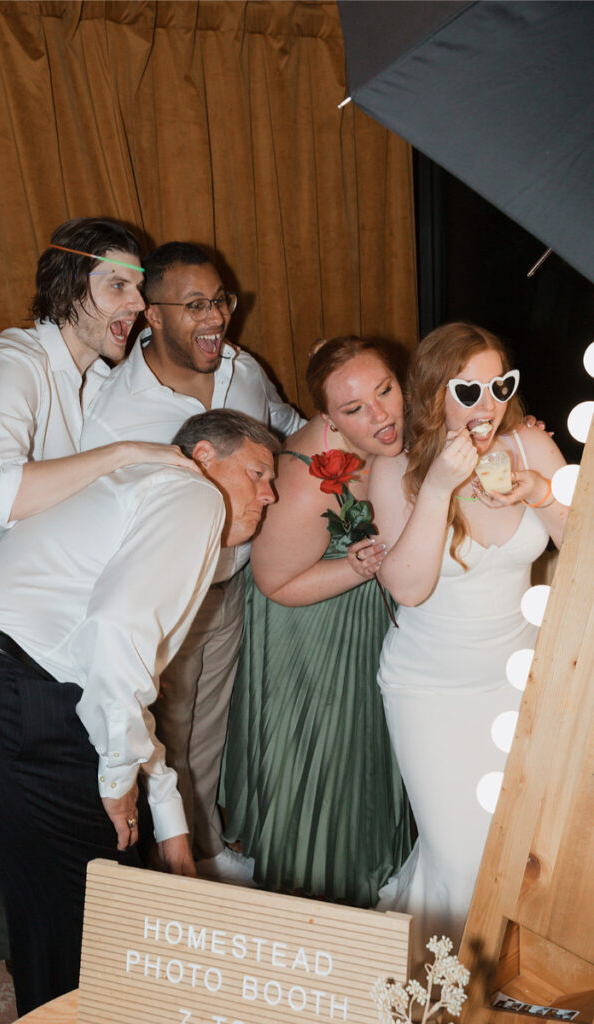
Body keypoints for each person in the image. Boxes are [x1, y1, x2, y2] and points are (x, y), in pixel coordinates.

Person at [0, 409, 278, 1016]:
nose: (270, 493)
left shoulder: (134, 497)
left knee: (53, 904)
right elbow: (115, 635)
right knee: (101, 905)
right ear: (205, 457)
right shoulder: (192, 493)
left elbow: (119, 684)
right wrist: (116, 781)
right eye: (259, 472)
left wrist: (171, 824)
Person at [0, 216, 191, 957]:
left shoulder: (94, 379)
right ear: (69, 288)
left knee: (59, 808)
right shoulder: (13, 361)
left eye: (139, 288)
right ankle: (26, 971)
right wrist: (125, 452)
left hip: (25, 604)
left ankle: (78, 954)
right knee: (6, 824)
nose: (135, 304)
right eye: (117, 286)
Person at [82, 241, 304, 877]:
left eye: (222, 301)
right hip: (160, 601)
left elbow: (282, 425)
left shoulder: (243, 368)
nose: (215, 319)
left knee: (207, 728)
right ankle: (160, 875)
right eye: (195, 305)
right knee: (162, 737)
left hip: (228, 587)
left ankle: (201, 854)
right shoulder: (116, 411)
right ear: (151, 315)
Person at [369, 323, 568, 961]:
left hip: (515, 682)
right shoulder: (396, 468)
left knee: (505, 847)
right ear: (433, 392)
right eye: (470, 388)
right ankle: (445, 990)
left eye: (500, 385)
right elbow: (407, 586)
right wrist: (436, 490)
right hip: (430, 690)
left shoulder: (528, 446)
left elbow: (584, 541)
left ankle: (489, 984)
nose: (489, 404)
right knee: (459, 854)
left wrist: (538, 491)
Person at [220, 335, 415, 905]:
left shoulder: (392, 427)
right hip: (307, 630)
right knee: (326, 756)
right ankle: (316, 892)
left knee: (365, 742)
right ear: (327, 417)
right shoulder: (305, 483)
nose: (380, 415)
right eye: (354, 409)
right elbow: (272, 583)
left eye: (385, 390)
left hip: (356, 615)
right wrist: (357, 572)